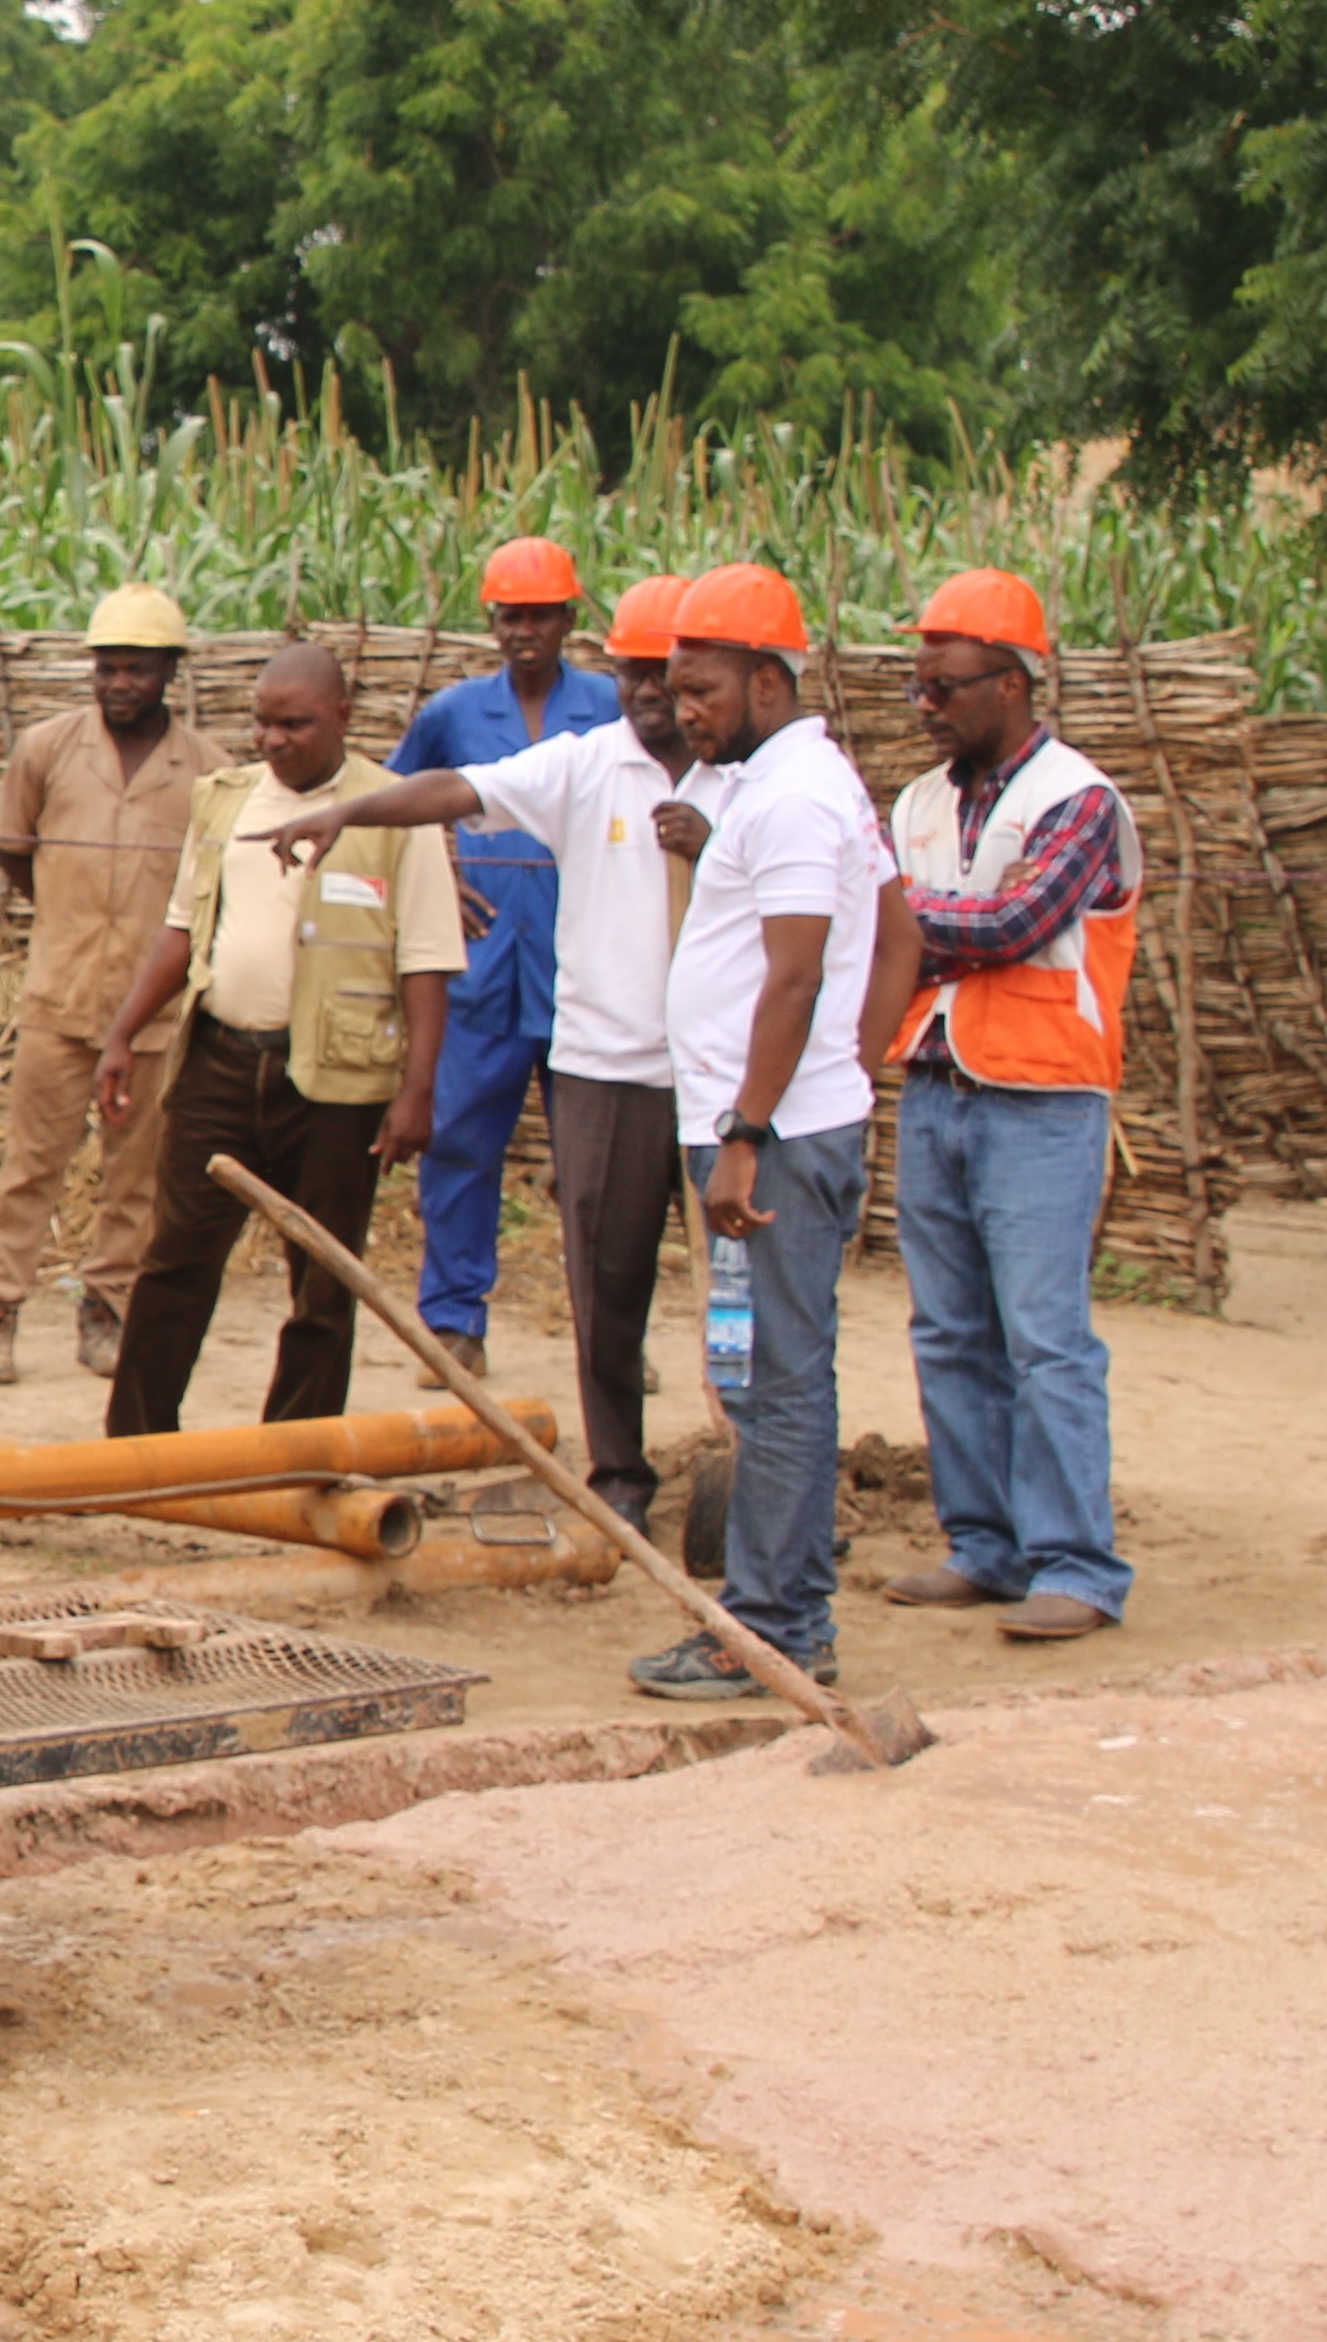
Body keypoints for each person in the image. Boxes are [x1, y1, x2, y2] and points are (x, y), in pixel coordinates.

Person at [243, 573, 711, 1532]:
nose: (651, 689)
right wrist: (350, 814)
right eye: (636, 672)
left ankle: (757, 1468)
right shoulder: (577, 755)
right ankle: (604, 1458)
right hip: (580, 1035)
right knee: (566, 1238)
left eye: (669, 672)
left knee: (739, 1283)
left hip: (719, 1065)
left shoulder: (754, 775)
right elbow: (453, 791)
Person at [860, 567, 1138, 1642]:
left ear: (1013, 685)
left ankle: (1077, 1565)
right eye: (919, 688)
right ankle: (986, 1547)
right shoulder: (922, 802)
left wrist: (904, 916)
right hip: (937, 1082)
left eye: (945, 687)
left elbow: (1010, 927)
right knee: (950, 1333)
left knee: (1044, 1338)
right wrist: (913, 919)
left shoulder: (1081, 801)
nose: (925, 705)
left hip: (1040, 1096)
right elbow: (905, 927)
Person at [88, 642, 463, 1437]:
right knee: (175, 1264)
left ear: (343, 718)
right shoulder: (222, 801)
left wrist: (416, 1092)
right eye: (262, 723)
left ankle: (296, 1452)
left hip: (336, 1083)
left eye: (295, 724)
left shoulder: (396, 813)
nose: (274, 740)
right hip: (221, 1064)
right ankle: (136, 1445)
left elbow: (427, 963)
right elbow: (183, 929)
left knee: (325, 1280)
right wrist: (123, 1033)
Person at [630, 564, 886, 1700]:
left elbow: (795, 975)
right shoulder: (771, 782)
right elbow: (903, 931)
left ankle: (775, 1627)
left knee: (780, 1380)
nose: (685, 711)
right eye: (678, 690)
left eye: (705, 690)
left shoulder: (792, 796)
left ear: (770, 682)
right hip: (759, 1130)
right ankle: (768, 1609)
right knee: (746, 1371)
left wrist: (751, 1128)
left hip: (764, 1145)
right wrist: (841, 1076)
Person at [0, 584, 222, 1383]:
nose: (119, 684)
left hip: (153, 1014)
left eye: (137, 670)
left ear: (169, 673)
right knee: (30, 1163)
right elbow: (14, 849)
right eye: (107, 668)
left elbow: (213, 884)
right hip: (59, 997)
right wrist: (69, 913)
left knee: (136, 1174)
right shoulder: (47, 749)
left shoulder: (207, 772)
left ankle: (106, 1311)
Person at [390, 538, 626, 1371]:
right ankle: (453, 1323)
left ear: (571, 618)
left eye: (542, 616)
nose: (526, 631)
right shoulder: (453, 716)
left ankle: (610, 1327)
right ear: (491, 622)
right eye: (510, 616)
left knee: (600, 1163)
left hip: (588, 970)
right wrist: (439, 880)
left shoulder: (609, 708)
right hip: (483, 971)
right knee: (459, 1144)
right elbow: (399, 804)